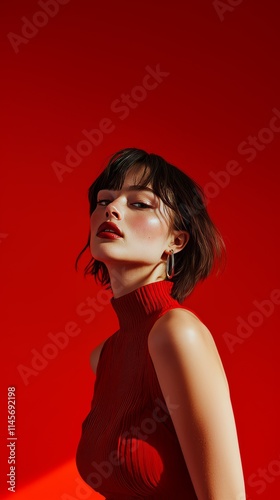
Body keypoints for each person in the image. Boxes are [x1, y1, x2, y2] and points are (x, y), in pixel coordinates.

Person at [75, 148, 246, 499]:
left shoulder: (176, 333)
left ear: (176, 241)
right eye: (104, 200)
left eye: (140, 204)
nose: (111, 209)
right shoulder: (104, 355)